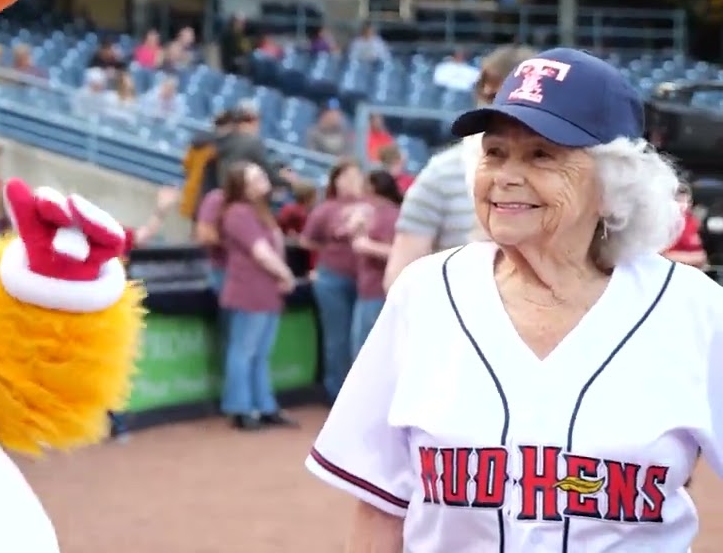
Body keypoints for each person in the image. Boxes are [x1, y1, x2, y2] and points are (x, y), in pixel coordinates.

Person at [305, 48, 715, 551]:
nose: (506, 175)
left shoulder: (693, 309)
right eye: (495, 152)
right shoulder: (426, 294)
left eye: (542, 155)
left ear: (614, 186)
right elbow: (381, 506)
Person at [383, 44, 536, 291]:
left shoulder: (567, 176)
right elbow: (399, 282)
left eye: (516, 98)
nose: (503, 110)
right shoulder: (442, 174)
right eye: (492, 97)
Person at [216, 162, 297, 431]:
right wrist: (286, 275)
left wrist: (281, 276)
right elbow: (260, 251)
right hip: (249, 291)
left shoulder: (260, 211)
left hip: (266, 291)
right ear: (243, 186)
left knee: (260, 353)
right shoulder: (239, 212)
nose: (263, 179)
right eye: (255, 177)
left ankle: (264, 405)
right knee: (244, 351)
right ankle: (240, 408)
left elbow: (273, 244)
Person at [300, 157, 366, 401]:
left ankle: (361, 396)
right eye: (346, 177)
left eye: (356, 176)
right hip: (333, 278)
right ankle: (337, 394)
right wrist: (327, 249)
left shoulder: (373, 205)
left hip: (366, 279)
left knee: (362, 339)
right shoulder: (326, 208)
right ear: (335, 181)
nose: (351, 182)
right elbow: (307, 240)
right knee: (336, 339)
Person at [347, 170, 402, 357]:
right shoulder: (372, 213)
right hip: (368, 289)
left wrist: (367, 246)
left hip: (379, 291)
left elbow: (400, 253)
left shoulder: (393, 216)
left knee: (367, 353)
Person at [663, 180, 707, 269]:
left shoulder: (691, 221)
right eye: (679, 201)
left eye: (688, 201)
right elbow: (660, 256)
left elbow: (702, 255)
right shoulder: (662, 223)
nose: (684, 206)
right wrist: (693, 258)